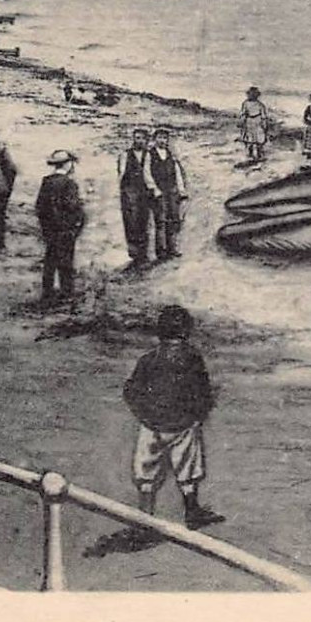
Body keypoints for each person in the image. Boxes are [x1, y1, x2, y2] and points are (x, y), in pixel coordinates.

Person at [123, 305, 224, 531]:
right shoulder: (193, 359)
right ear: (187, 332)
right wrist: (199, 416)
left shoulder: (148, 359)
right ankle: (192, 511)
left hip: (152, 425)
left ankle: (144, 520)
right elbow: (203, 391)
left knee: (146, 470)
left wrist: (144, 414)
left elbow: (131, 391)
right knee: (188, 467)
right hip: (183, 424)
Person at [35, 149, 86, 303]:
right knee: (66, 261)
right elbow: (72, 206)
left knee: (50, 260)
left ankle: (47, 292)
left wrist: (46, 225)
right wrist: (78, 216)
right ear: (68, 164)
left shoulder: (46, 181)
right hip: (65, 229)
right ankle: (66, 292)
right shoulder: (69, 183)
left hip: (50, 229)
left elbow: (39, 206)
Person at [148, 127, 189, 261]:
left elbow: (177, 173)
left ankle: (173, 248)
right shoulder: (150, 155)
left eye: (165, 138)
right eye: (159, 137)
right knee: (161, 221)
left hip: (172, 192)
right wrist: (154, 190)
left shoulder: (171, 155)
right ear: (154, 140)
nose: (162, 140)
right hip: (159, 193)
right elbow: (147, 174)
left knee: (173, 219)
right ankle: (161, 251)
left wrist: (181, 190)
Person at [117, 128, 155, 268]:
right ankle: (134, 256)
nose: (138, 140)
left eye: (141, 138)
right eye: (136, 138)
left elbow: (148, 173)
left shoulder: (148, 155)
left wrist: (152, 189)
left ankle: (143, 255)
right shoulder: (125, 155)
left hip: (143, 193)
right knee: (130, 223)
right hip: (129, 193)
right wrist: (123, 192)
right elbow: (121, 174)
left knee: (143, 222)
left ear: (146, 140)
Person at [239, 86, 270, 162]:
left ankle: (259, 155)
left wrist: (264, 124)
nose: (252, 95)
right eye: (251, 94)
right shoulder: (245, 104)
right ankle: (250, 155)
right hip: (249, 123)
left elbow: (263, 116)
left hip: (258, 122)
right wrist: (242, 122)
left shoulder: (260, 105)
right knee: (249, 140)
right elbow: (243, 114)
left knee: (259, 140)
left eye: (254, 94)